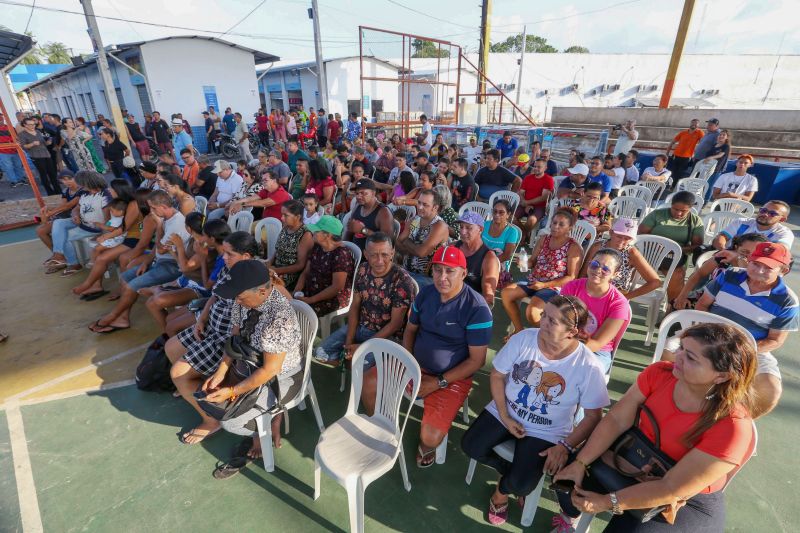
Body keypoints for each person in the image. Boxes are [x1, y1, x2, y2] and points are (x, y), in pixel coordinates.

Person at [553, 323, 757, 532]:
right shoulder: (660, 373)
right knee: (565, 478)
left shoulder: (733, 427)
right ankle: (571, 519)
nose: (677, 357)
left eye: (691, 358)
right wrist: (580, 462)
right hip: (634, 455)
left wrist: (608, 502)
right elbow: (616, 420)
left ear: (722, 376)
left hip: (686, 497)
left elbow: (672, 488)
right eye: (681, 348)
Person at [461, 295, 609, 526]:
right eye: (544, 315)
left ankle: (502, 492)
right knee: (470, 446)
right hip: (506, 411)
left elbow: (593, 416)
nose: (542, 323)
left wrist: (565, 446)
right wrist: (504, 414)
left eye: (552, 321)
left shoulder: (587, 366)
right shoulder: (524, 339)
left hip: (547, 431)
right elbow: (498, 375)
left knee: (522, 484)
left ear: (572, 332)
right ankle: (511, 472)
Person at [363, 245, 492, 468]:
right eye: (437, 270)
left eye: (449, 271)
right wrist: (409, 363)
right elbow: (411, 330)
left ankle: (427, 446)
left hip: (451, 377)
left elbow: (476, 361)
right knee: (369, 382)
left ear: (463, 272)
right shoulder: (426, 294)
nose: (442, 277)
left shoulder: (476, 308)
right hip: (414, 363)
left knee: (430, 438)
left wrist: (438, 382)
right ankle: (381, 427)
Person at [191, 259, 301, 467]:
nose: (237, 301)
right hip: (249, 363)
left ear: (261, 291)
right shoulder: (241, 302)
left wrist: (232, 391)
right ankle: (270, 417)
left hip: (281, 376)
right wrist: (220, 372)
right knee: (209, 395)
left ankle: (269, 422)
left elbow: (271, 369)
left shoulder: (279, 319)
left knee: (231, 423)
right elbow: (235, 340)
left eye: (240, 297)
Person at [693, 242, 797, 417]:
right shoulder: (728, 275)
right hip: (709, 338)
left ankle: (732, 422)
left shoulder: (788, 301)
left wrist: (738, 351)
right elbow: (702, 305)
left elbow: (775, 340)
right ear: (748, 260)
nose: (759, 270)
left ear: (783, 271)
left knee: (770, 391)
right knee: (668, 354)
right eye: (756, 264)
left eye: (768, 268)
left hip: (751, 349)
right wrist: (710, 340)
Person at [88, 190, 190, 333]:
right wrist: (147, 261)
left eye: (153, 208)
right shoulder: (167, 217)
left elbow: (161, 249)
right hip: (160, 262)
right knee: (125, 278)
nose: (151, 211)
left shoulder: (176, 223)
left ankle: (112, 316)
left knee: (132, 286)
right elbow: (157, 248)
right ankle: (123, 318)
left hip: (173, 265)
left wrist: (159, 226)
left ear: (163, 206)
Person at [314, 231, 416, 363]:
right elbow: (355, 306)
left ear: (392, 253)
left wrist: (363, 348)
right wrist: (349, 343)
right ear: (366, 254)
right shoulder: (363, 269)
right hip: (361, 327)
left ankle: (357, 370)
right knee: (320, 353)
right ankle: (346, 363)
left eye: (384, 254)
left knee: (361, 364)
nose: (379, 261)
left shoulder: (402, 280)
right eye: (373, 255)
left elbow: (395, 325)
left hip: (387, 336)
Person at [501, 209, 583, 337]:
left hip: (554, 286)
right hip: (534, 279)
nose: (555, 226)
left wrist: (543, 285)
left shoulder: (573, 247)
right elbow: (533, 261)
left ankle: (550, 336)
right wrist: (524, 263)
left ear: (569, 228)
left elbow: (571, 277)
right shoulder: (544, 239)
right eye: (554, 222)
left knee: (532, 313)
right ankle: (519, 330)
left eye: (561, 224)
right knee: (506, 293)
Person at [71, 188, 158, 299]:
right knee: (99, 253)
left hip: (132, 239)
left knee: (103, 258)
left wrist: (106, 236)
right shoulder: (135, 205)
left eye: (112, 189)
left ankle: (90, 284)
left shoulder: (134, 204)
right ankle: (96, 285)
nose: (109, 191)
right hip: (131, 238)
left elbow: (124, 228)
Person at [560, 249, 632, 372]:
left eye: (606, 269)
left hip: (597, 352)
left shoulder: (619, 304)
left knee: (576, 373)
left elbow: (597, 342)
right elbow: (559, 321)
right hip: (564, 340)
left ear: (615, 274)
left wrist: (565, 355)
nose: (598, 270)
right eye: (595, 264)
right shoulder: (571, 287)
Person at [142, 213, 215, 333]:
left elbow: (186, 267)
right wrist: (172, 251)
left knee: (159, 300)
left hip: (200, 287)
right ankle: (168, 334)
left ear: (189, 229)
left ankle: (156, 289)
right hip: (187, 280)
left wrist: (180, 246)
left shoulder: (204, 245)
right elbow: (182, 266)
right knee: (151, 304)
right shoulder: (193, 240)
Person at [673, 233, 767, 310]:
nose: (748, 257)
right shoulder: (722, 257)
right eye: (744, 252)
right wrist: (682, 297)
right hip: (708, 296)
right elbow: (698, 274)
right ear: (736, 247)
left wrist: (742, 264)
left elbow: (746, 284)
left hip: (737, 305)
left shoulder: (762, 269)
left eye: (754, 254)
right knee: (676, 304)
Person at [639, 191, 704, 302]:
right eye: (675, 209)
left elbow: (697, 245)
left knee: (678, 276)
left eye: (683, 211)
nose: (678, 213)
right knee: (626, 267)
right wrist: (653, 245)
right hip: (649, 253)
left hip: (674, 257)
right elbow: (640, 235)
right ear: (671, 205)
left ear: (691, 209)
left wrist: (676, 249)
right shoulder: (657, 214)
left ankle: (672, 306)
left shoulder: (695, 221)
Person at [46, 171, 111, 276]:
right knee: (58, 223)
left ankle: (73, 264)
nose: (79, 185)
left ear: (88, 182)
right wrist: (75, 214)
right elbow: (76, 208)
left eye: (81, 183)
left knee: (64, 237)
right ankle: (59, 255)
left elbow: (108, 218)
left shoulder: (105, 195)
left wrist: (105, 234)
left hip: (94, 228)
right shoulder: (85, 193)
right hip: (82, 223)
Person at [581, 218, 661, 300]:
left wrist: (625, 298)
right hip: (592, 289)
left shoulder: (631, 253)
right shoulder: (597, 246)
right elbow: (583, 273)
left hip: (615, 295)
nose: (622, 241)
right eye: (619, 236)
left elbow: (655, 282)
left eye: (627, 238)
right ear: (611, 233)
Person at [293, 215, 356, 317]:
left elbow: (337, 287)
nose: (313, 232)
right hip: (311, 291)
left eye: (317, 231)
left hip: (331, 298)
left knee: (299, 314)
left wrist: (311, 300)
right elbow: (306, 272)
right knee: (288, 305)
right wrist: (298, 289)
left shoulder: (341, 254)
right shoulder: (318, 247)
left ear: (327, 235)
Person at [397, 189, 450, 288]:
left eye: (425, 205)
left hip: (427, 278)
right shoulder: (413, 220)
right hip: (406, 271)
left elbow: (421, 253)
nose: (420, 207)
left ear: (435, 207)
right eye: (419, 203)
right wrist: (414, 249)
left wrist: (406, 242)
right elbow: (398, 243)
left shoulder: (439, 226)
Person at [454, 211, 500, 307]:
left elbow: (488, 298)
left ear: (480, 229)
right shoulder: (453, 248)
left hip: (470, 304)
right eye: (461, 227)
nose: (462, 231)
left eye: (468, 228)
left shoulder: (489, 258)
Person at [268, 200, 314, 291]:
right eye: (282, 214)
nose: (282, 218)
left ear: (298, 217)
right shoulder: (286, 227)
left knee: (261, 287)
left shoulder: (305, 234)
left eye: (286, 215)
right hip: (275, 269)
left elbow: (300, 265)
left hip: (290, 276)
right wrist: (269, 264)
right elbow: (278, 250)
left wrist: (276, 271)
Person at [36, 170, 86, 254]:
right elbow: (63, 206)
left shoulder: (82, 190)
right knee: (40, 229)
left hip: (79, 217)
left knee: (44, 227)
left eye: (69, 178)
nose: (67, 182)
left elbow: (68, 205)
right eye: (64, 180)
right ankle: (56, 254)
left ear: (75, 178)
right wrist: (48, 208)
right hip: (68, 216)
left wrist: (51, 213)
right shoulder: (65, 191)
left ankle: (59, 255)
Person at [712, 200, 793, 250]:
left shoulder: (784, 234)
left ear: (782, 219)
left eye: (772, 213)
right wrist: (724, 251)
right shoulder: (741, 222)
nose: (765, 214)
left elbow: (781, 250)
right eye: (763, 210)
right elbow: (720, 238)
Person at [344, 178, 393, 250]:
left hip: (371, 255)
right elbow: (349, 231)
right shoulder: (358, 205)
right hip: (353, 252)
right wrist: (343, 247)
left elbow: (387, 241)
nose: (358, 196)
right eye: (357, 193)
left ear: (373, 193)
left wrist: (363, 230)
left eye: (363, 193)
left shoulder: (383, 212)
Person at [515, 158, 554, 240]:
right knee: (510, 217)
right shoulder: (528, 178)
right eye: (535, 166)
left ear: (545, 168)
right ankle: (524, 235)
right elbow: (521, 193)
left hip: (539, 206)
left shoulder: (548, 179)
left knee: (531, 220)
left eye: (539, 167)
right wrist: (525, 204)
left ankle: (521, 236)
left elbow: (543, 197)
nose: (536, 168)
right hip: (524, 204)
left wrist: (527, 203)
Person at [18, 117, 58, 194]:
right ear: (25, 125)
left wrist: (48, 143)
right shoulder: (22, 134)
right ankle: (50, 192)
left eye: (33, 124)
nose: (33, 126)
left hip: (46, 154)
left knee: (52, 173)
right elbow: (23, 146)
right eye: (30, 125)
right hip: (36, 156)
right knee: (44, 174)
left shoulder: (38, 131)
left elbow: (43, 143)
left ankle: (58, 190)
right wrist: (32, 144)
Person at [482, 199, 521, 271]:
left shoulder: (512, 231)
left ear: (508, 214)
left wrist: (488, 263)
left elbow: (506, 256)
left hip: (499, 263)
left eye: (501, 212)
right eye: (495, 211)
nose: (497, 215)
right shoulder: (485, 224)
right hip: (481, 259)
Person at [701, 128, 732, 202]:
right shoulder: (714, 145)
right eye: (720, 135)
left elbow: (720, 155)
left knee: (710, 186)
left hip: (717, 169)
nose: (721, 136)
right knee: (704, 185)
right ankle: (701, 198)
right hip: (707, 168)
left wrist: (711, 157)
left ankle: (706, 201)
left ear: (727, 137)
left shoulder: (726, 146)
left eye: (723, 135)